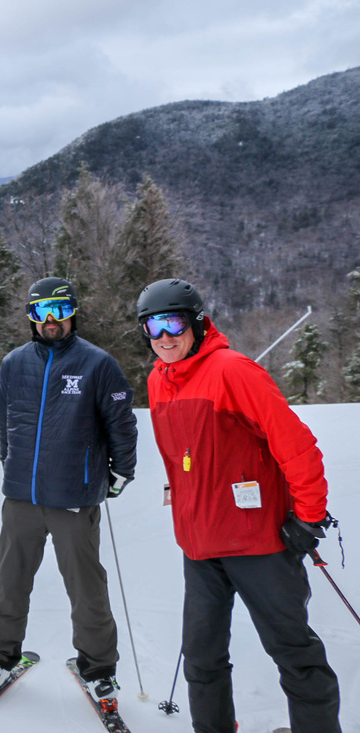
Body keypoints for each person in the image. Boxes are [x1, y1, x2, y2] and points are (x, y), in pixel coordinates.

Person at [137, 278, 340, 733]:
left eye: (174, 322)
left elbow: (297, 445)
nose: (165, 336)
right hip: (201, 547)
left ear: (196, 322)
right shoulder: (158, 381)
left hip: (259, 544)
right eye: (154, 326)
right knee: (203, 657)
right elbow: (183, 459)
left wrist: (308, 515)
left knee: (294, 653)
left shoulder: (233, 371)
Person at [0, 277, 137, 707]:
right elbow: (3, 420)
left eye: (59, 311)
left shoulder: (98, 364)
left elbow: (122, 424)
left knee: (86, 588)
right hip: (21, 496)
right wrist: (9, 462)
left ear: (72, 313)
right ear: (31, 317)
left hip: (74, 494)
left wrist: (121, 471)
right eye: (42, 312)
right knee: (9, 582)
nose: (51, 321)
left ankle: (98, 667)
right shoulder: (14, 363)